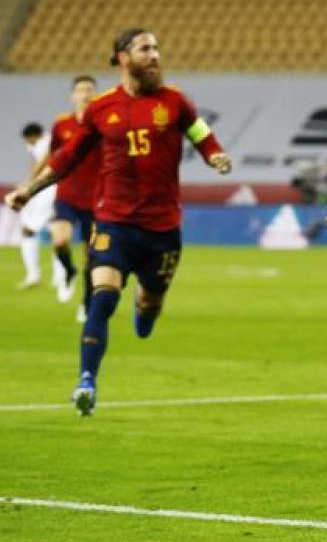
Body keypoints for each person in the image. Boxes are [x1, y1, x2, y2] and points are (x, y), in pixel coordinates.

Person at [4, 28, 232, 416]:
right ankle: (86, 382)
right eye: (146, 48)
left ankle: (144, 313)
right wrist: (31, 188)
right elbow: (68, 157)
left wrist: (215, 155)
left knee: (149, 303)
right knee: (103, 298)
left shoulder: (175, 102)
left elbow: (200, 133)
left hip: (163, 228)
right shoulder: (101, 109)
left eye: (158, 47)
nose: (155, 55)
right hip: (113, 222)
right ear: (123, 58)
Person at [35, 75, 102, 318]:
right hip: (67, 195)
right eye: (81, 89)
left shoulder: (103, 125)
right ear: (72, 95)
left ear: (95, 94)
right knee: (59, 240)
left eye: (89, 89)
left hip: (95, 200)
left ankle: (86, 303)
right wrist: (34, 182)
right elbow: (54, 157)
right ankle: (68, 271)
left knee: (92, 258)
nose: (85, 94)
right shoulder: (61, 124)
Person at [15, 123, 55, 290]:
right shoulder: (47, 140)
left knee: (28, 230)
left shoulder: (45, 143)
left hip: (48, 189)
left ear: (32, 136)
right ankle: (61, 276)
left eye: (28, 141)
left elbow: (42, 165)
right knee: (57, 231)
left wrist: (28, 184)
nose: (27, 144)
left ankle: (34, 276)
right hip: (52, 188)